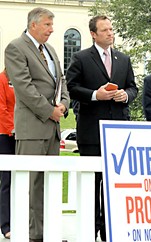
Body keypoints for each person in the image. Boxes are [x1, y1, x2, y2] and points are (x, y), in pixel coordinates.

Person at [66, 15, 138, 241]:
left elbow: (133, 88)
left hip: (117, 133)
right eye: (105, 30)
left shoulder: (123, 59)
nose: (110, 33)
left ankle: (110, 231)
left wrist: (125, 95)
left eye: (111, 29)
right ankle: (89, 231)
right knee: (92, 184)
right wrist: (96, 95)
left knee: (113, 186)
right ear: (94, 34)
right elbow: (73, 87)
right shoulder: (81, 58)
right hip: (91, 133)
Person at [4, 7, 70, 242]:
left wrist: (63, 104)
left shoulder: (50, 50)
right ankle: (31, 235)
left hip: (52, 129)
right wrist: (49, 111)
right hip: (32, 128)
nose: (52, 30)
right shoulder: (15, 48)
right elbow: (24, 87)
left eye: (52, 25)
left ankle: (47, 232)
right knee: (31, 184)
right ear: (33, 25)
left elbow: (61, 81)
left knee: (50, 183)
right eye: (47, 25)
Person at [0, 69, 15, 240]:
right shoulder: (2, 80)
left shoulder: (23, 80)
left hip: (23, 134)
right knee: (7, 180)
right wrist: (13, 128)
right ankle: (5, 224)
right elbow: (1, 108)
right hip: (5, 134)